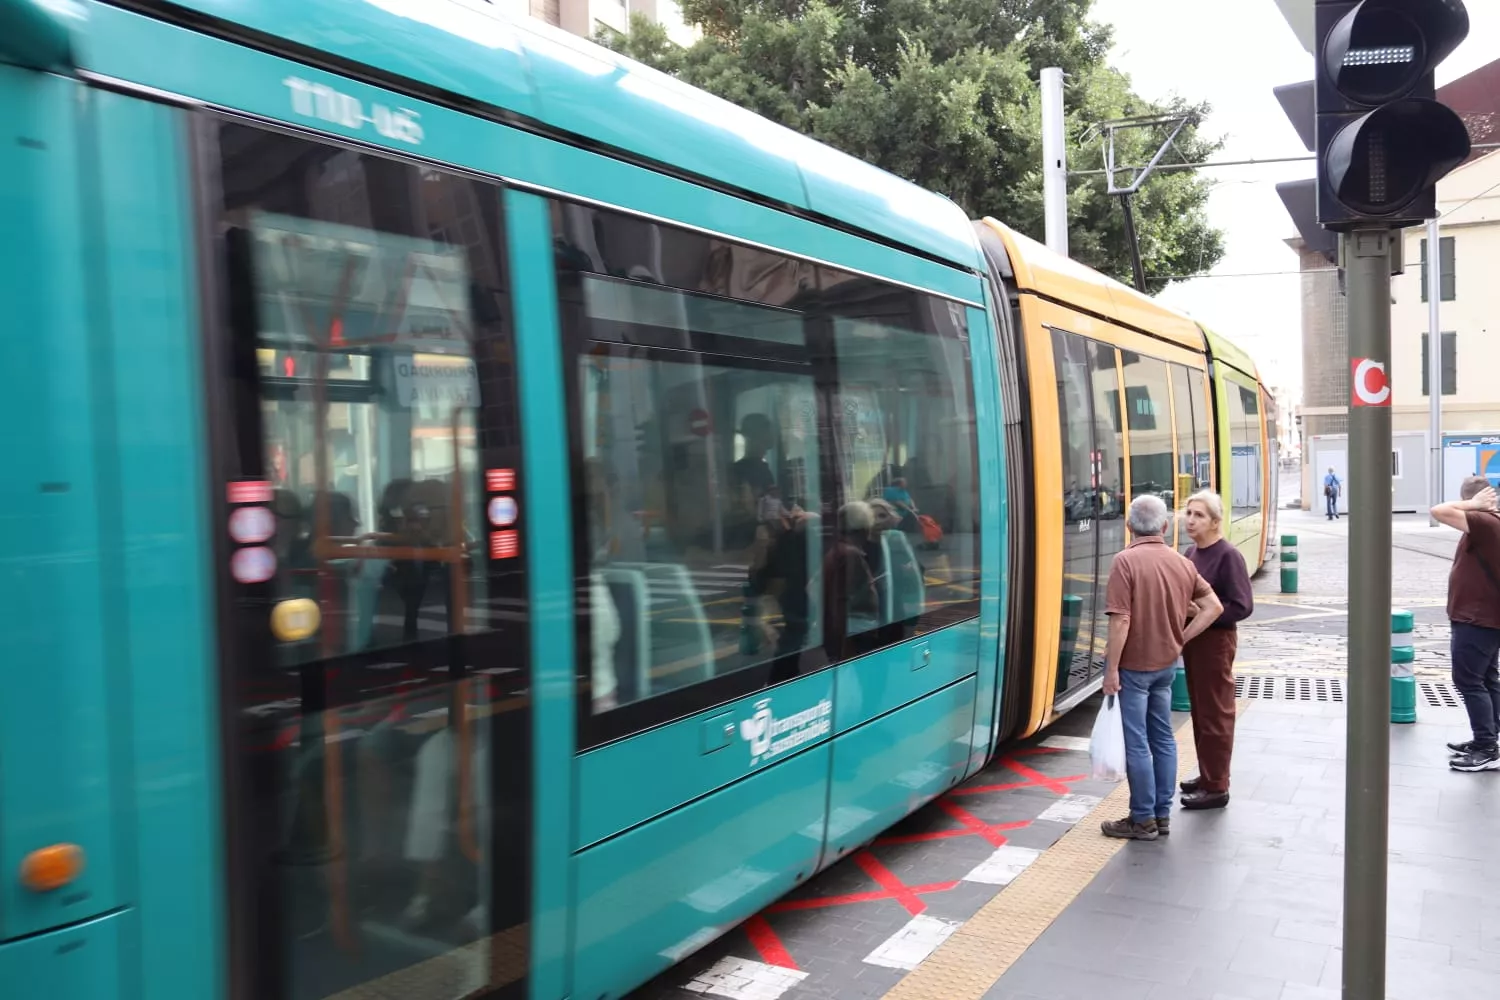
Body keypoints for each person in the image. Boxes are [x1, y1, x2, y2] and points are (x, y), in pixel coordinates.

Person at [1100, 494, 1224, 841]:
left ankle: (1141, 819)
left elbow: (1121, 621)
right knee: (1163, 739)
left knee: (1138, 743)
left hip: (1135, 668)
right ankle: (1162, 814)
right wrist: (1181, 638)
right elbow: (1213, 607)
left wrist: (1111, 671)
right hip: (1167, 666)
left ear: (1129, 526)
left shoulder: (1125, 562)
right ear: (1165, 526)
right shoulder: (1182, 563)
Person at [1178, 491, 1254, 810]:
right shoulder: (1191, 552)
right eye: (1189, 513)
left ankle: (1217, 786)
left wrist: (1201, 613)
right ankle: (1208, 772)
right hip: (1194, 640)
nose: (1190, 520)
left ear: (1215, 521)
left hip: (1216, 641)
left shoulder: (1228, 556)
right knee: (1200, 709)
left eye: (1198, 515)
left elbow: (1242, 606)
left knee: (1216, 712)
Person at [1430, 476, 1500, 771]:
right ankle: (1489, 738)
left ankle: (1486, 747)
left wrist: (1473, 505)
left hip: (1477, 618)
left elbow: (1439, 510)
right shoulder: (1489, 524)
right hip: (1485, 616)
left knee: (1469, 681)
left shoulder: (1484, 522)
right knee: (1486, 678)